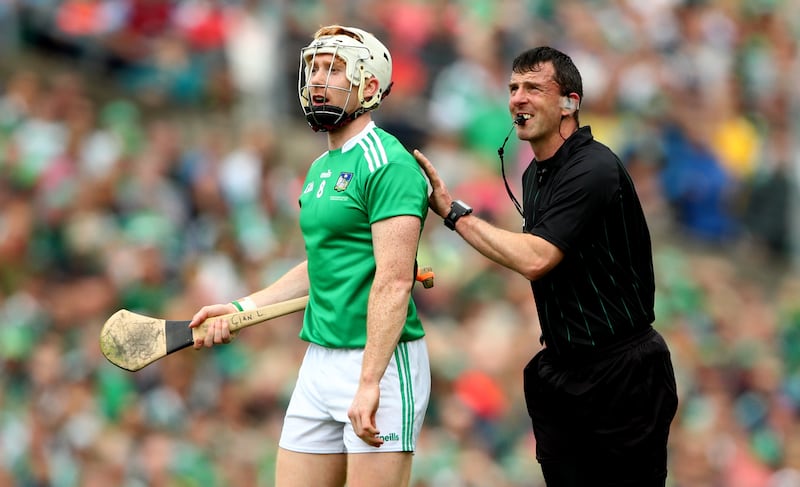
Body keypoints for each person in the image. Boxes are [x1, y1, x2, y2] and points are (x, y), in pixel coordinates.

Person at [413, 46, 678, 486]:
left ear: (569, 103)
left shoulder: (595, 167)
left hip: (622, 374)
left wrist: (455, 215)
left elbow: (537, 258)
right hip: (565, 370)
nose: (518, 98)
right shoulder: (533, 176)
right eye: (514, 88)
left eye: (534, 87)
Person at [189, 25, 431, 487]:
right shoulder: (321, 167)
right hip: (318, 360)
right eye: (315, 68)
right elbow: (321, 266)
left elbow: (395, 280)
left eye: (334, 69)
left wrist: (368, 382)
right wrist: (243, 308)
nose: (318, 79)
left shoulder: (388, 163)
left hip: (378, 363)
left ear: (370, 85)